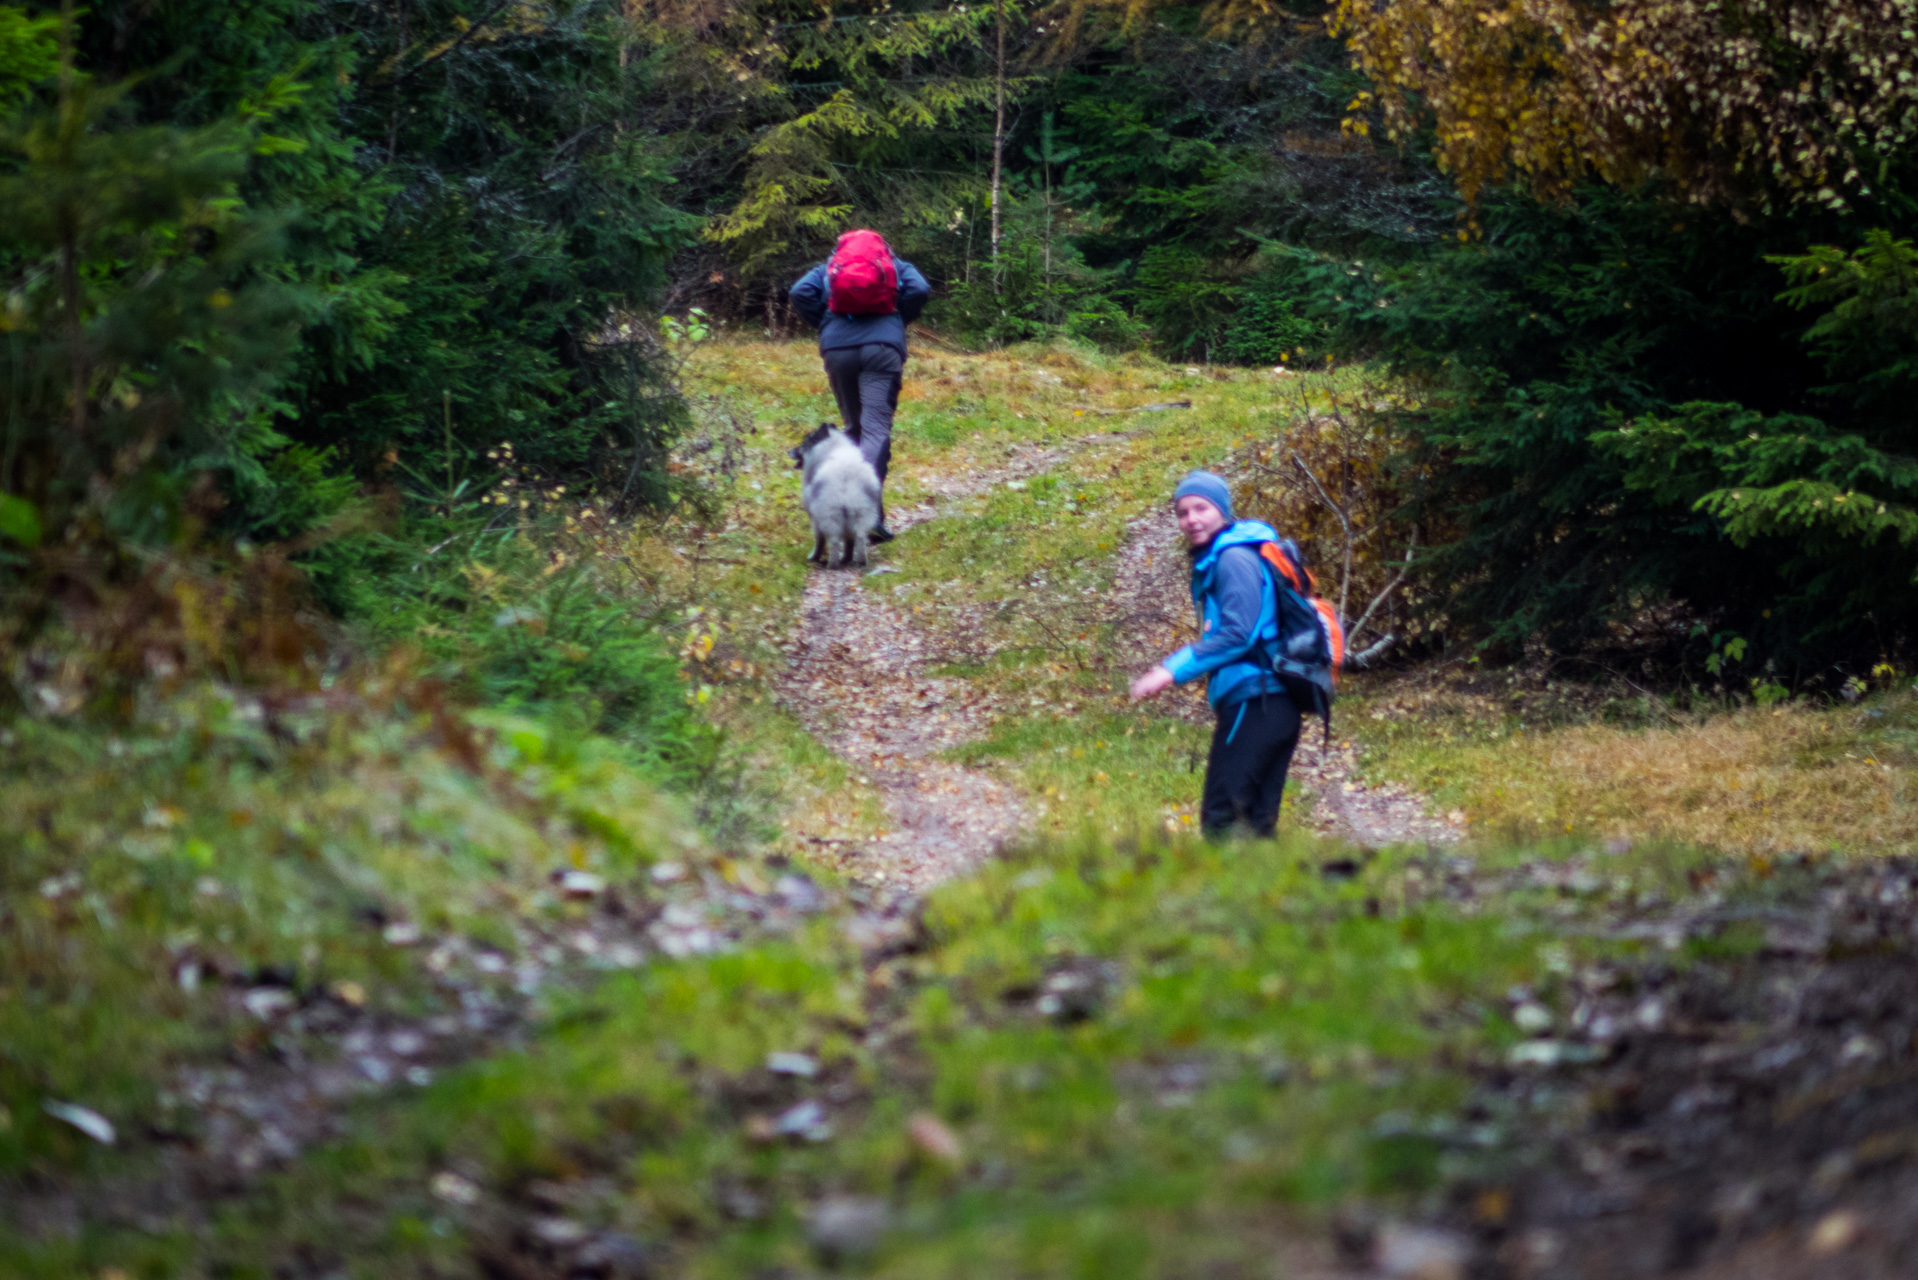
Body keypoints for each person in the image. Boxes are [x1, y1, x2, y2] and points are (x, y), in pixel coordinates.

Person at [1129, 471, 1302, 839]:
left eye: (1201, 508)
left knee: (1222, 821)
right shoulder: (1230, 556)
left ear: (1223, 511)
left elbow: (1238, 635)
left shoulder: (1233, 559)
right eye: (1182, 512)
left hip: (1258, 701)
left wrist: (1170, 670)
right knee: (1254, 825)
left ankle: (1227, 896)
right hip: (1267, 704)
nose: (1191, 520)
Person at [790, 230, 931, 543]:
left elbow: (799, 291)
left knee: (855, 428)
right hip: (882, 347)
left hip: (838, 349)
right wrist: (897, 319)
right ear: (882, 248)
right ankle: (862, 511)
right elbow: (920, 289)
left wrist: (826, 322)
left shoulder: (829, 267)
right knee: (875, 429)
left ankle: (864, 516)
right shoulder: (893, 265)